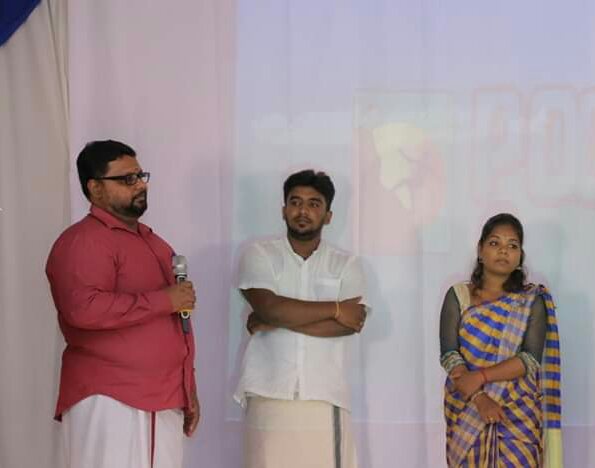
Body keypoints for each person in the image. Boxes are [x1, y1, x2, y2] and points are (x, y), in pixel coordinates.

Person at [46, 140, 199, 468]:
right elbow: (83, 309)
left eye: (141, 176)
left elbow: (176, 326)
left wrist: (188, 389)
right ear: (95, 188)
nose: (140, 184)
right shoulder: (83, 240)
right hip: (109, 398)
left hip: (164, 398)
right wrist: (164, 300)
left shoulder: (155, 243)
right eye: (127, 179)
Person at [235, 169, 368, 468]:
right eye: (295, 202)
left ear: (328, 216)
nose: (303, 211)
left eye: (314, 203)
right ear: (283, 210)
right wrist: (335, 309)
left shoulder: (347, 264)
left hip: (324, 397)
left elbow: (350, 324)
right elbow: (269, 307)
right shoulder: (259, 254)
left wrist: (275, 320)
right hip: (268, 392)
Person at [439, 213, 562, 467]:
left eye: (512, 245)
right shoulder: (458, 295)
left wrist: (481, 377)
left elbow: (529, 359)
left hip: (517, 414)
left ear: (520, 257)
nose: (503, 250)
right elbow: (450, 355)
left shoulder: (531, 300)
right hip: (466, 410)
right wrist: (479, 398)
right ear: (480, 250)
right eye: (495, 243)